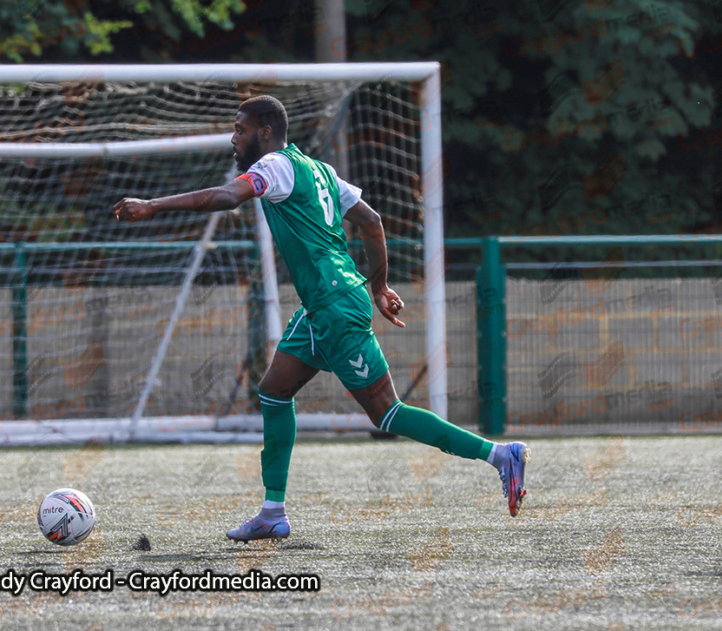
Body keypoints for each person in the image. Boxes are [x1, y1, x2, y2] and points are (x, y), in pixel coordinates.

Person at [114, 95, 529, 542]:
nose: (234, 137)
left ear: (266, 132)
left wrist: (152, 206)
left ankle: (500, 455)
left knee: (387, 413)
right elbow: (370, 221)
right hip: (323, 306)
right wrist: (379, 285)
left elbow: (226, 196)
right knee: (273, 391)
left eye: (240, 129)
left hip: (336, 310)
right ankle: (273, 513)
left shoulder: (274, 166)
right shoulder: (320, 170)